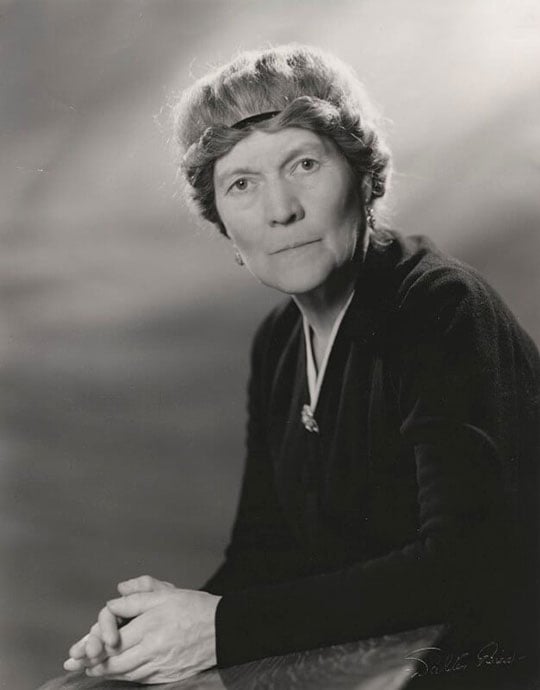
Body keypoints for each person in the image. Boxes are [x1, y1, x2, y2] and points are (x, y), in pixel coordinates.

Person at [63, 44, 540, 684]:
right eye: (242, 184)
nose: (280, 209)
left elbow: (466, 564)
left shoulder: (438, 308)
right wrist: (161, 621)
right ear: (223, 227)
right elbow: (266, 553)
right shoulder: (279, 342)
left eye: (305, 163)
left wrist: (222, 629)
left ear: (366, 174)